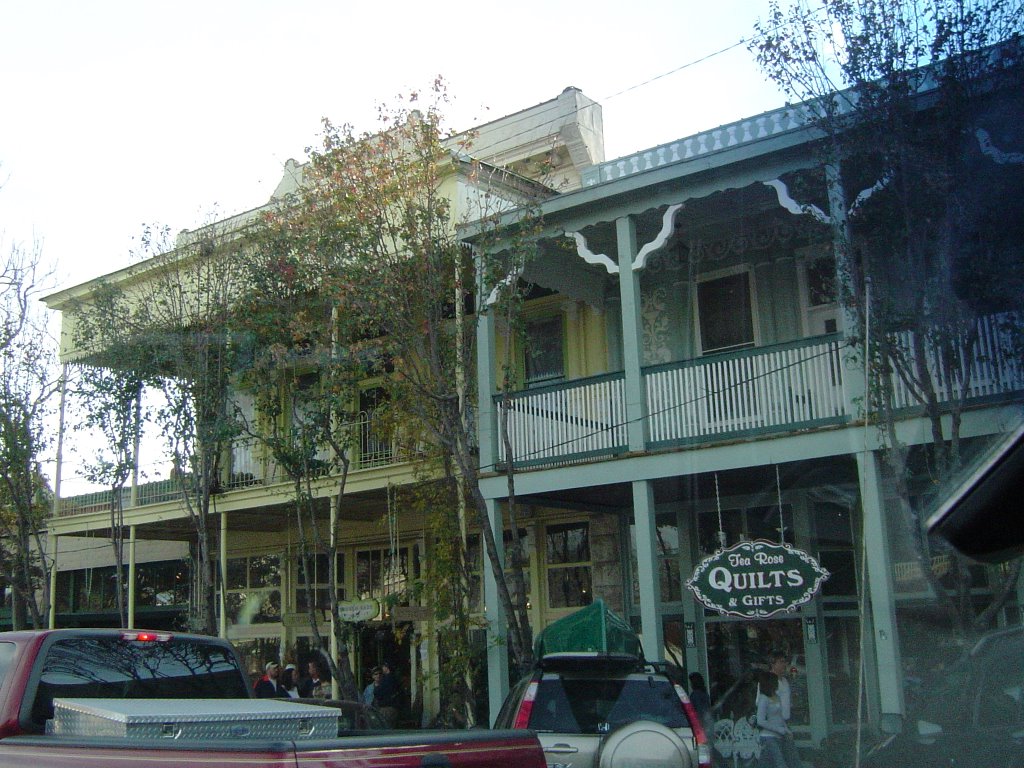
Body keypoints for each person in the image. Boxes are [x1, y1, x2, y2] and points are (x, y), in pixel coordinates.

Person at [373, 659, 402, 727]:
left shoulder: (386, 680)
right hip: (394, 708)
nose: (382, 668)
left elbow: (378, 693)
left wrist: (377, 687)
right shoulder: (394, 678)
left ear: (386, 667)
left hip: (386, 709)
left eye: (383, 666)